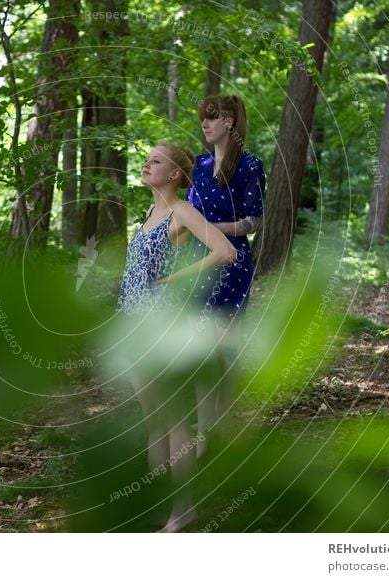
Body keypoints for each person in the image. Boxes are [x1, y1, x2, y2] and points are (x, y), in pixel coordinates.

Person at [117, 142, 237, 532]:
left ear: (173, 175)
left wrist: (175, 278)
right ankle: (158, 505)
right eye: (146, 158)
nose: (146, 163)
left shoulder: (181, 211)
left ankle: (184, 509)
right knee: (153, 422)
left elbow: (225, 251)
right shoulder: (150, 213)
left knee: (173, 421)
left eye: (155, 160)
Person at [186, 94, 266, 454]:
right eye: (203, 118)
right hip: (197, 264)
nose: (204, 123)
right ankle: (204, 434)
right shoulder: (199, 166)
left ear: (229, 122)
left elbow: (253, 222)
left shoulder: (250, 166)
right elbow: (186, 212)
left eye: (212, 117)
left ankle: (224, 424)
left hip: (233, 265)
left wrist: (212, 227)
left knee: (227, 350)